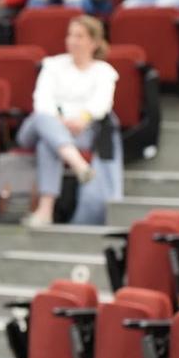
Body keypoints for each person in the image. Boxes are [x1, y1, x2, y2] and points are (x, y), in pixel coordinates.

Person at [16, 16, 117, 227]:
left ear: (94, 42)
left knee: (48, 145)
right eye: (70, 35)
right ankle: (79, 165)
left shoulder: (104, 72)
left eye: (79, 36)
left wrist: (82, 118)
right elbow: (41, 101)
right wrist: (58, 121)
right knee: (44, 120)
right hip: (38, 127)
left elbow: (101, 105)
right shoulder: (52, 65)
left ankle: (45, 211)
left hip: (78, 131)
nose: (72, 40)